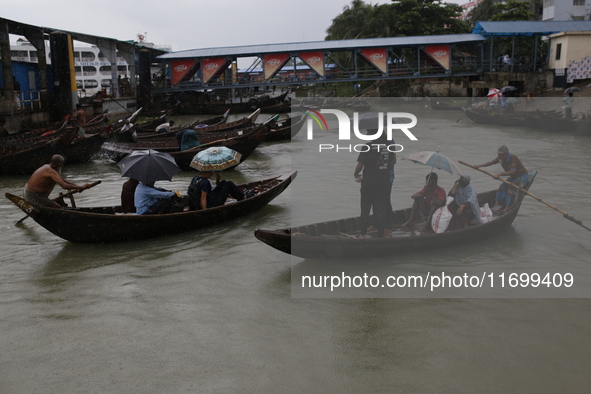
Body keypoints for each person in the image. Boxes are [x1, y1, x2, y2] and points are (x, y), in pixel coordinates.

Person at [353, 134, 395, 238]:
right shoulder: (388, 146)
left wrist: (356, 174)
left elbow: (360, 164)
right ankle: (381, 234)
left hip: (368, 182)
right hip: (382, 182)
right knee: (379, 209)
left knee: (365, 208)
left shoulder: (367, 147)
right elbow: (393, 161)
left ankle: (362, 234)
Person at [474, 145, 528, 213]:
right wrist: (479, 166)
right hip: (513, 177)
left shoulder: (512, 157)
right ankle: (496, 205)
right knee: (502, 187)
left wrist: (499, 174)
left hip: (521, 176)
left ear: (506, 154)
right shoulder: (500, 158)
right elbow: (491, 162)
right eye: (498, 154)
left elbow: (512, 171)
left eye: (500, 154)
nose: (499, 156)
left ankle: (507, 208)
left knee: (511, 189)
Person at [23, 155, 91, 208]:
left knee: (55, 205)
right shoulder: (51, 171)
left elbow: (61, 180)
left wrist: (77, 187)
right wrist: (81, 187)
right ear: (59, 164)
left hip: (36, 194)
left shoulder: (48, 167)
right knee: (58, 207)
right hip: (32, 196)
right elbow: (64, 186)